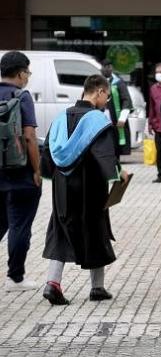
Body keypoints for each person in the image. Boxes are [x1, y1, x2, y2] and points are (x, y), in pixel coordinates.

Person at [41, 74, 130, 305]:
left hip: (62, 185)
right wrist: (118, 172)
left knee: (61, 229)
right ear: (99, 91)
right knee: (95, 229)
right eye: (107, 96)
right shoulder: (97, 120)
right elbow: (104, 154)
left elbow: (48, 151)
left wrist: (48, 174)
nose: (107, 101)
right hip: (90, 185)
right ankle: (97, 287)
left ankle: (53, 283)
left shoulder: (61, 117)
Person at [0, 52, 42, 292]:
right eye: (27, 72)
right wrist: (37, 170)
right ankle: (15, 278)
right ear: (19, 73)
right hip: (20, 174)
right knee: (19, 225)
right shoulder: (22, 97)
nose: (28, 77)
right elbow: (29, 136)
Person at [100, 60, 133, 157]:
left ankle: (115, 162)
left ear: (111, 68)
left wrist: (122, 118)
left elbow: (126, 100)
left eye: (108, 66)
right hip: (101, 118)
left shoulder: (118, 82)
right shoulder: (97, 82)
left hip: (115, 118)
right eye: (104, 67)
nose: (106, 69)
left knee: (115, 144)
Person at [148, 63, 161, 183]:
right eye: (157, 72)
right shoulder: (153, 88)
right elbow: (152, 107)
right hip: (158, 125)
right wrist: (150, 123)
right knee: (160, 151)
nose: (159, 74)